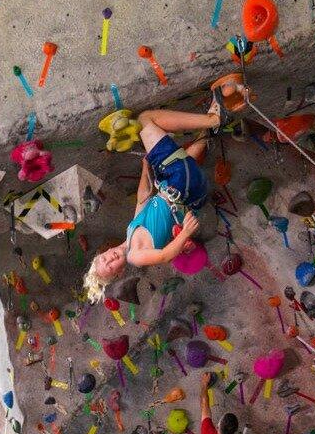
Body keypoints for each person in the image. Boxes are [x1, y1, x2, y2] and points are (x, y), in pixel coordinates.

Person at [83, 87, 238, 301]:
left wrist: (146, 168)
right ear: (120, 272)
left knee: (179, 160)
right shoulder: (136, 256)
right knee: (145, 120)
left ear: (101, 254)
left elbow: (143, 198)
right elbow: (164, 255)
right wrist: (184, 234)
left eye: (103, 260)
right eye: (111, 267)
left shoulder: (130, 233)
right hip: (181, 189)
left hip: (183, 190)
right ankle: (214, 120)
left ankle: (208, 132)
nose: (110, 259)